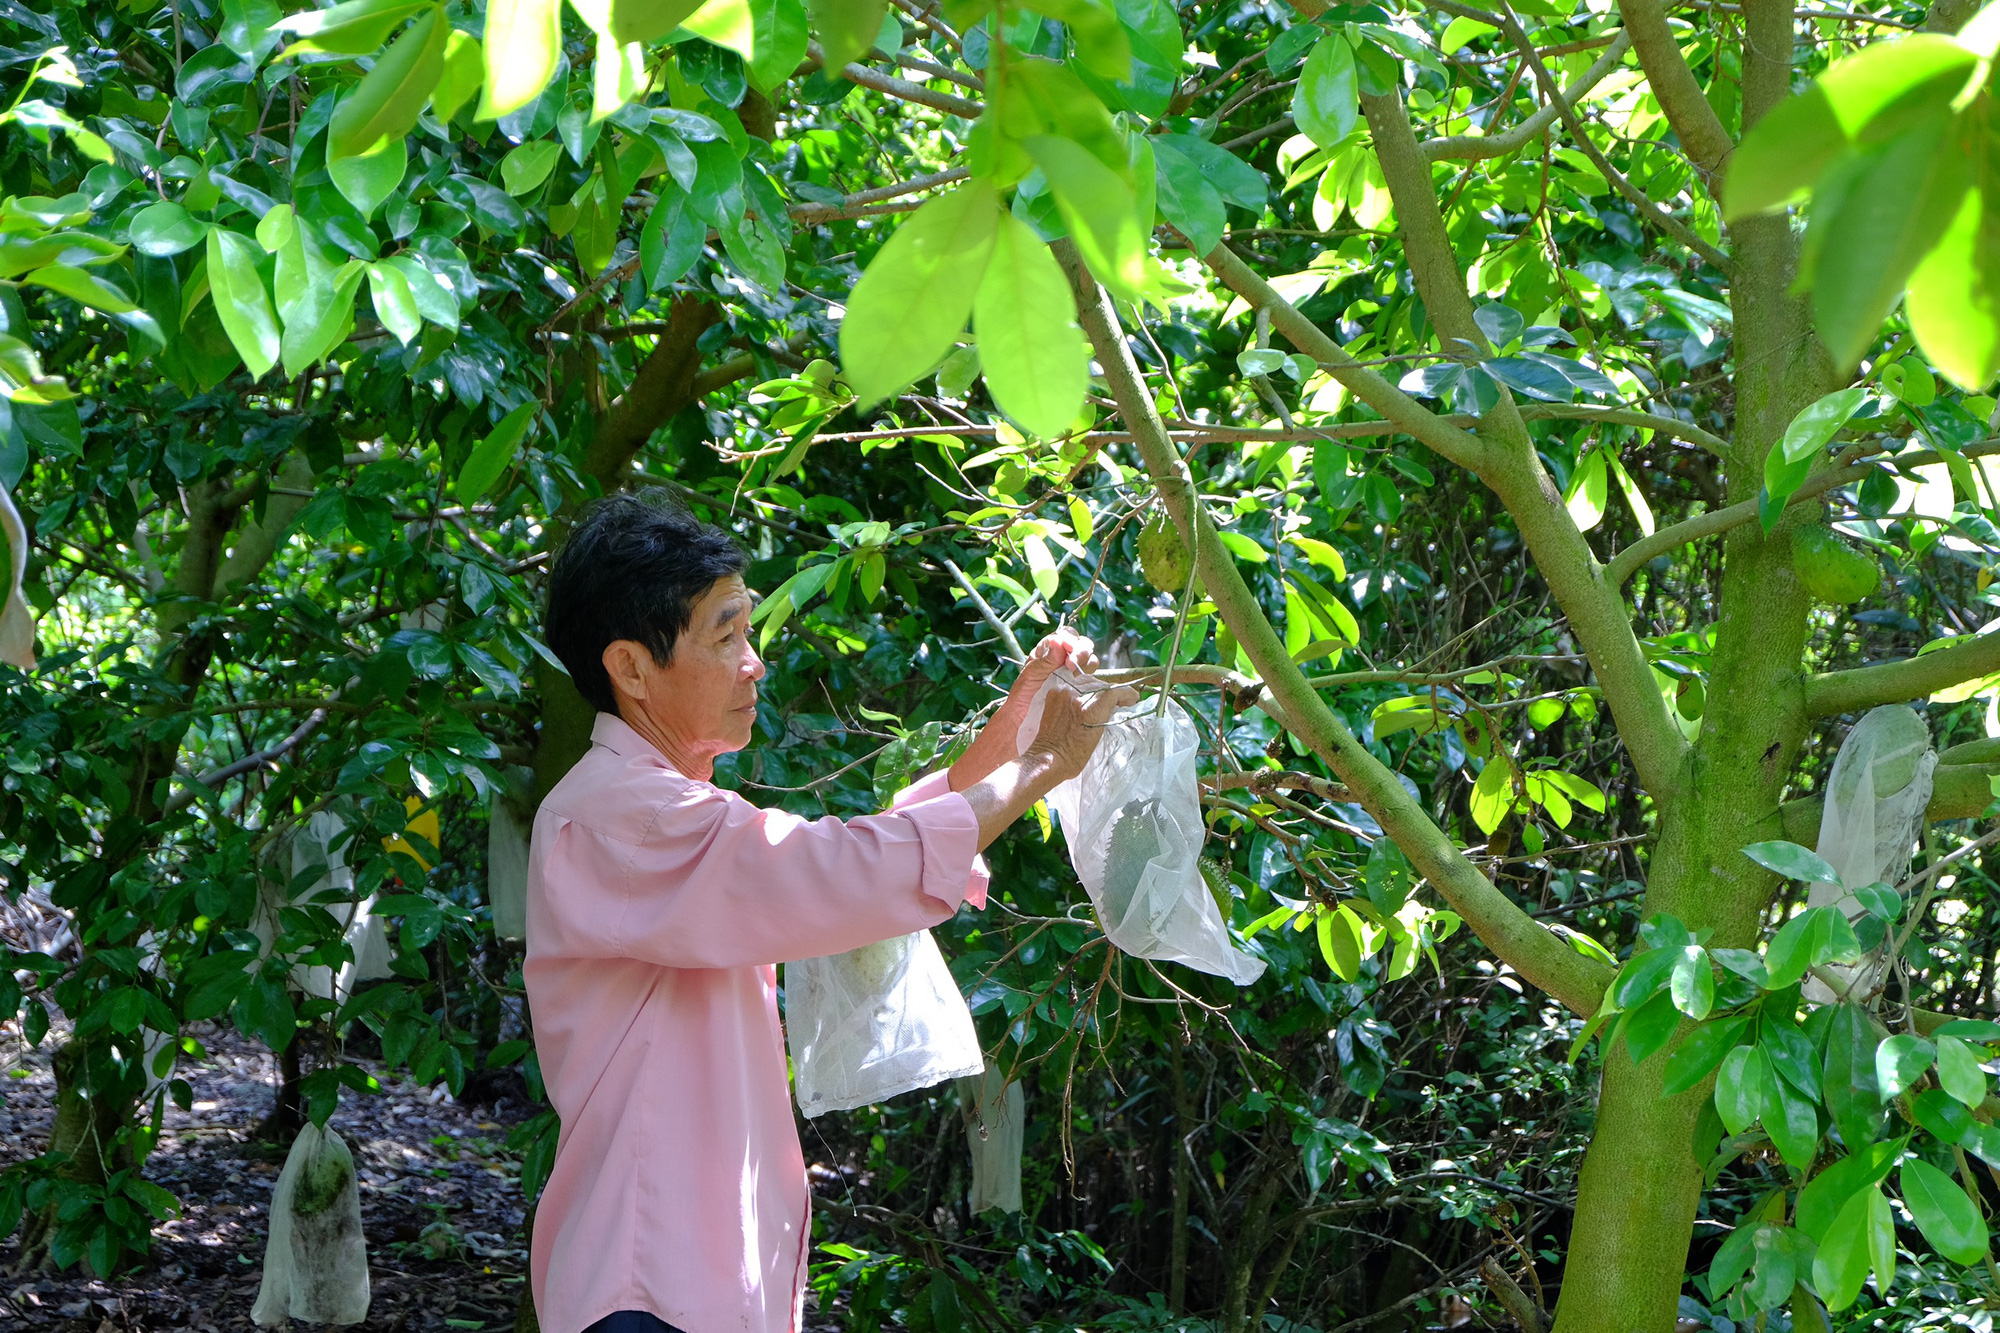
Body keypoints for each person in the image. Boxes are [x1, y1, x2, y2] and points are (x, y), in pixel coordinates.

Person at [527, 490, 1133, 1333]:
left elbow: (858, 862)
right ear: (631, 668)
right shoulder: (624, 815)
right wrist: (1047, 763)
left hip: (691, 1283)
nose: (754, 662)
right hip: (647, 1286)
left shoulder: (664, 812)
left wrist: (1023, 724)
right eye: (726, 634)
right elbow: (840, 871)